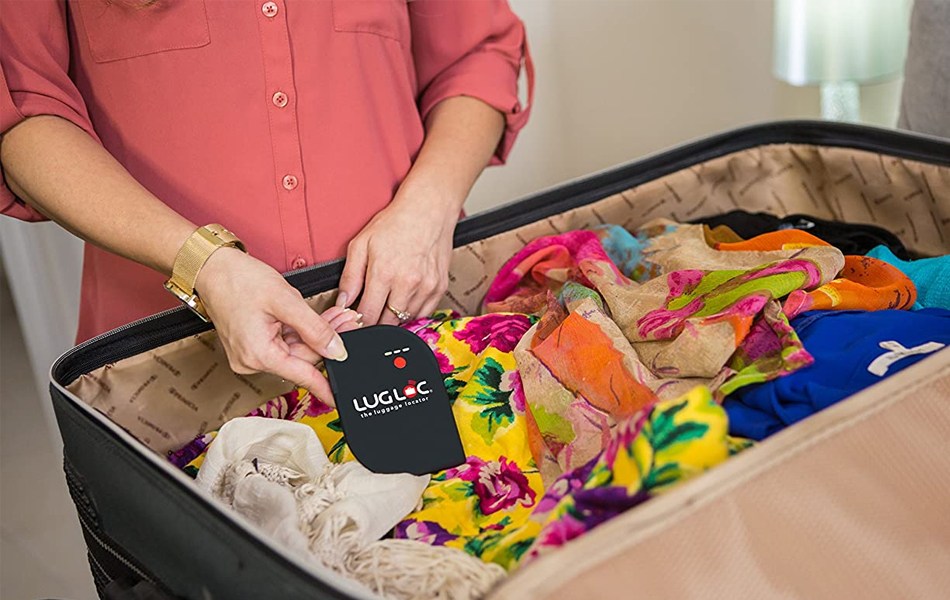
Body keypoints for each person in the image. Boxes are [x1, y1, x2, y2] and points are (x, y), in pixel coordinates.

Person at [0, 0, 532, 404]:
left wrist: (428, 211)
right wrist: (203, 265)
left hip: (412, 317)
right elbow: (22, 110)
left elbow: (477, 54)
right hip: (169, 363)